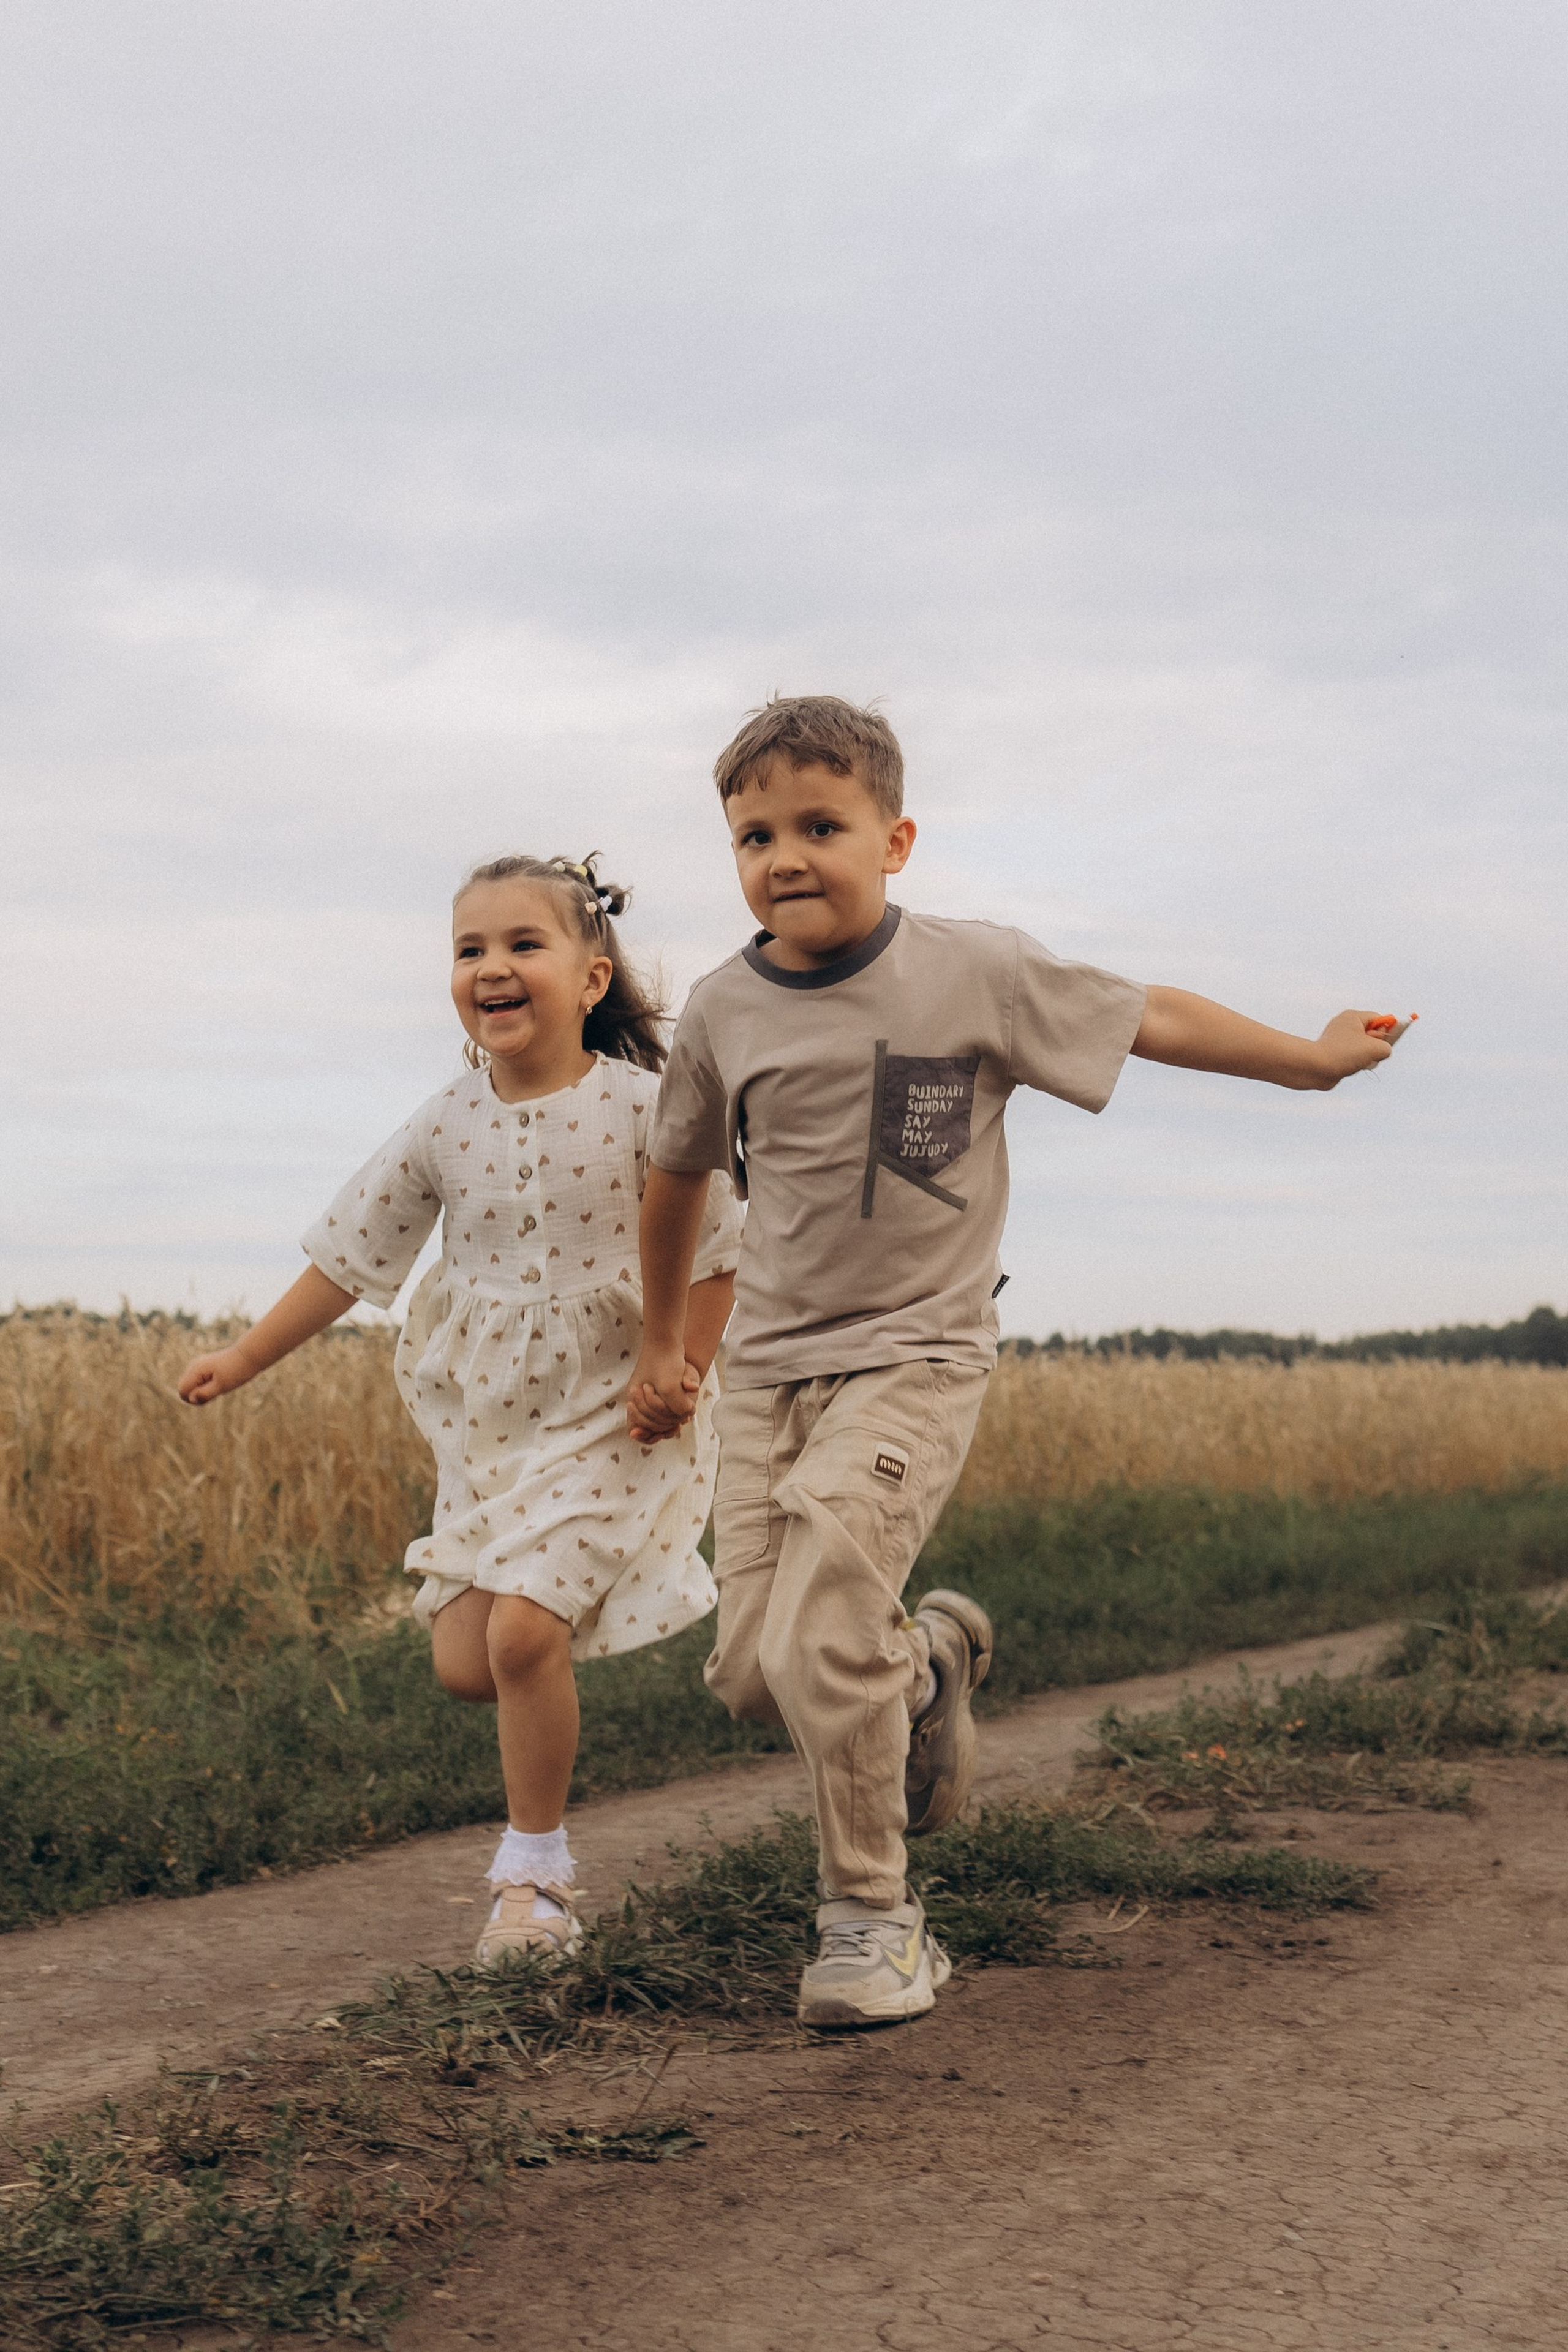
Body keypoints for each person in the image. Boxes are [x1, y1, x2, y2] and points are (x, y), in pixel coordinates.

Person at [627, 695, 1398, 2030]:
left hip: (915, 1355)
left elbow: (1142, 1013)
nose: (785, 856)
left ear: (896, 837)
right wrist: (660, 1342)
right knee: (756, 1674)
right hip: (765, 1373)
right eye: (754, 835)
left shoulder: (969, 974)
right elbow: (675, 1170)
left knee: (820, 1638)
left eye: (821, 824)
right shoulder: (719, 1010)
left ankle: (872, 1924)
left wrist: (1309, 1066)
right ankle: (923, 1668)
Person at [179, 853, 742, 1966]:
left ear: (590, 978)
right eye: (469, 949)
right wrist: (246, 1355)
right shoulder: (441, 1125)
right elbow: (351, 1256)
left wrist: (679, 1367)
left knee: (528, 1634)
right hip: (490, 1424)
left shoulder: (645, 1107)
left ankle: (534, 1885)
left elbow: (719, 1250)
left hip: (618, 1404)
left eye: (521, 945)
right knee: (468, 1664)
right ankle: (544, 1697)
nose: (491, 967)